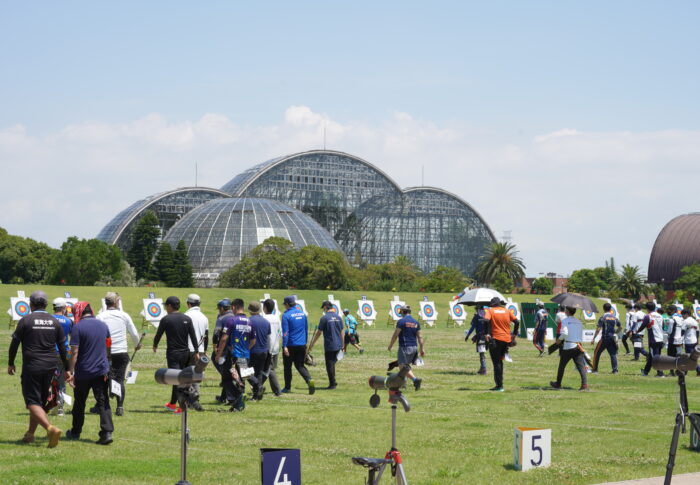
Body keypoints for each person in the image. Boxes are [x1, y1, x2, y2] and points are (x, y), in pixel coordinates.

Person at [7, 291, 67, 447]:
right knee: (39, 401)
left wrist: (11, 362)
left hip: (32, 365)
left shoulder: (26, 320)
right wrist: (67, 370)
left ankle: (50, 429)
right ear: (46, 305)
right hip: (50, 366)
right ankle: (30, 435)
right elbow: (62, 347)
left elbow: (14, 343)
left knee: (32, 401)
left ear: (30, 304)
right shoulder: (55, 321)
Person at [65, 301, 114, 445]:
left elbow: (74, 352)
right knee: (103, 402)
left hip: (83, 371)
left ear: (78, 312)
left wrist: (71, 371)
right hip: (101, 371)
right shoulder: (103, 325)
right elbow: (108, 346)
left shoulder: (77, 327)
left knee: (79, 403)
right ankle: (107, 433)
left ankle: (75, 431)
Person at [96, 292, 141, 416]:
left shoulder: (100, 316)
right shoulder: (124, 315)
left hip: (105, 353)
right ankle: (119, 406)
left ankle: (103, 406)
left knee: (104, 379)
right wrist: (137, 344)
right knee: (120, 379)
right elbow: (134, 333)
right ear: (116, 303)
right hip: (121, 352)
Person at [153, 296, 199, 413]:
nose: (165, 308)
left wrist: (155, 345)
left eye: (165, 306)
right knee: (179, 378)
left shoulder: (166, 319)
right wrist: (197, 351)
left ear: (169, 306)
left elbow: (158, 334)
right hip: (185, 353)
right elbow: (193, 336)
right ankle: (173, 404)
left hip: (173, 353)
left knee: (176, 379)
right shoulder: (187, 318)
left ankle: (182, 406)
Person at [215, 298, 260, 410]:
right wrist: (246, 348)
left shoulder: (231, 321)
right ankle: (239, 403)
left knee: (226, 379)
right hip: (245, 355)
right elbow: (253, 341)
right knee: (240, 378)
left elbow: (224, 338)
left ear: (234, 307)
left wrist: (218, 353)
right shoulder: (250, 322)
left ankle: (239, 396)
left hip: (233, 355)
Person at [483, 297, 519, 392]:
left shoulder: (490, 311)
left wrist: (486, 333)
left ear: (492, 304)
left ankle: (499, 386)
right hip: (506, 340)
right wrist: (514, 334)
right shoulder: (506, 311)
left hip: (495, 339)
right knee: (500, 361)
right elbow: (517, 321)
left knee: (496, 363)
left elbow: (486, 321)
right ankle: (499, 384)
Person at [281, 296, 315, 394]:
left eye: (284, 304)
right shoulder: (303, 314)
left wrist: (285, 346)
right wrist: (305, 344)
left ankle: (287, 388)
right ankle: (309, 380)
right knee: (300, 365)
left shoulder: (286, 315)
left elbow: (285, 333)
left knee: (287, 367)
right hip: (301, 344)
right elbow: (305, 329)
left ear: (287, 304)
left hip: (290, 344)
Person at [549, 306, 589, 391]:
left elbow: (565, 333)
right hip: (578, 346)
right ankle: (584, 385)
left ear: (567, 311)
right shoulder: (579, 322)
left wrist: (559, 340)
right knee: (581, 367)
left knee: (561, 366)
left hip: (568, 346)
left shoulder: (565, 321)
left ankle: (558, 384)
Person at [308, 301, 345, 389]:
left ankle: (332, 384)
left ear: (325, 307)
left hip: (330, 345)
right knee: (332, 363)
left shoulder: (324, 318)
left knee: (329, 365)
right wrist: (343, 345)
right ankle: (333, 382)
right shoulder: (339, 317)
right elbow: (342, 332)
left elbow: (319, 333)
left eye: (323, 308)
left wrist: (312, 344)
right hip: (339, 344)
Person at [387, 305, 425, 390]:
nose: (401, 314)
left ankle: (415, 380)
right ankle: (403, 384)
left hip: (405, 347)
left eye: (401, 312)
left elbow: (395, 335)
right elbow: (420, 337)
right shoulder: (416, 322)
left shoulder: (401, 321)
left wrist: (390, 345)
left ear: (403, 312)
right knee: (405, 366)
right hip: (414, 347)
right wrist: (422, 348)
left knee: (402, 367)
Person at [185, 294, 209, 410]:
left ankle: (190, 401)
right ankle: (195, 400)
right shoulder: (204, 317)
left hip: (188, 349)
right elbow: (206, 336)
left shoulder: (186, 315)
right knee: (196, 375)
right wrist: (205, 351)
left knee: (186, 376)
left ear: (188, 303)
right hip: (200, 350)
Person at [52, 297, 73, 416]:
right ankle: (60, 408)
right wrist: (69, 357)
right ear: (64, 308)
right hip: (64, 353)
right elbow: (72, 340)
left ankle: (48, 404)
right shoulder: (69, 321)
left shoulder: (48, 319)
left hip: (49, 353)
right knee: (61, 381)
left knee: (48, 380)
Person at [248, 300, 271, 400]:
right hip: (264, 350)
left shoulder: (249, 321)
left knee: (246, 372)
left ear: (249, 310)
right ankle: (257, 396)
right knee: (259, 373)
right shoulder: (266, 321)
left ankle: (258, 387)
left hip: (252, 350)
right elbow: (268, 336)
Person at [212, 299, 232, 404]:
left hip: (223, 347)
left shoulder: (221, 318)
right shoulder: (235, 316)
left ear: (222, 308)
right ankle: (223, 396)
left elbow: (216, 333)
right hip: (234, 347)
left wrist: (215, 346)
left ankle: (227, 390)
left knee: (226, 372)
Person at [591, 303, 621, 373]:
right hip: (612, 338)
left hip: (604, 338)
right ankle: (615, 370)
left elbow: (598, 329)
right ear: (610, 309)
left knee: (596, 353)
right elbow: (620, 327)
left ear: (603, 309)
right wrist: (615, 332)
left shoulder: (603, 318)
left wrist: (593, 338)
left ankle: (595, 369)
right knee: (613, 354)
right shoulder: (614, 317)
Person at [262, 299, 283, 396]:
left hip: (267, 347)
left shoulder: (264, 318)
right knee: (268, 368)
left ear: (265, 308)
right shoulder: (277, 318)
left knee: (269, 369)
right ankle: (257, 386)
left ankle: (277, 390)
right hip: (276, 346)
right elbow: (280, 333)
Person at [639, 301, 665, 377]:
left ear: (647, 308)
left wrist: (636, 332)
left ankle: (660, 373)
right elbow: (663, 327)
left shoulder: (648, 316)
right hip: (660, 338)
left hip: (653, 340)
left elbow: (643, 325)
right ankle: (645, 371)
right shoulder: (660, 316)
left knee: (655, 358)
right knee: (651, 356)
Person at [465, 304, 488, 375]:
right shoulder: (487, 315)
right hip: (488, 337)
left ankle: (483, 368)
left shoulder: (477, 316)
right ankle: (482, 368)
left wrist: (468, 335)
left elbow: (472, 327)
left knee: (482, 353)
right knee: (483, 352)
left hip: (480, 337)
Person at [681, 309, 700, 376]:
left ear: (686, 314)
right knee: (691, 357)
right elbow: (697, 332)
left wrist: (680, 340)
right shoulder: (695, 321)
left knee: (689, 358)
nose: (682, 316)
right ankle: (685, 371)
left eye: (682, 314)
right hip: (694, 341)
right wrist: (697, 340)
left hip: (688, 341)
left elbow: (682, 332)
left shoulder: (686, 321)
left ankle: (698, 369)